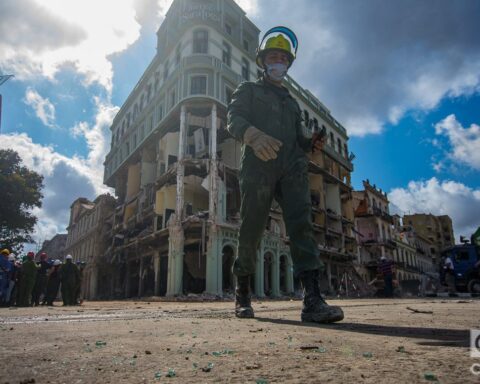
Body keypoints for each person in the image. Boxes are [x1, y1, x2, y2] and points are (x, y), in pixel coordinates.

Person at [227, 26, 344, 323]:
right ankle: (242, 295)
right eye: (272, 57)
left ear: (288, 64)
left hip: (293, 167)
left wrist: (311, 143)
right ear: (263, 61)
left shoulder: (292, 104)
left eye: (282, 58)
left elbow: (297, 140)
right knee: (251, 227)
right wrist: (251, 134)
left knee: (301, 226)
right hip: (259, 163)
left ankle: (313, 301)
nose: (277, 62)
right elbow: (234, 119)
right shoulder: (248, 90)